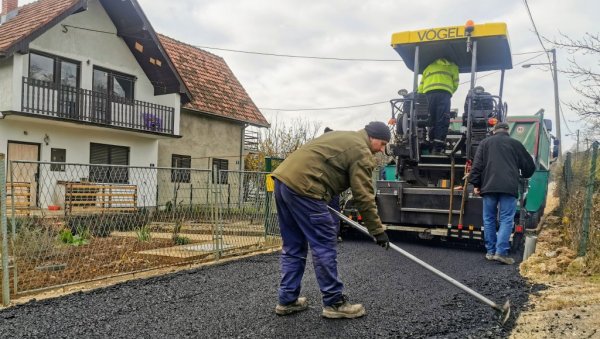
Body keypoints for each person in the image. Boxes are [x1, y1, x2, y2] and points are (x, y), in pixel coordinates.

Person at [272, 121, 391, 319]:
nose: (382, 149)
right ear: (372, 137)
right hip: (306, 188)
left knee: (293, 245)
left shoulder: (342, 137)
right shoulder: (361, 151)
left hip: (283, 182)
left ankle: (287, 300)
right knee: (324, 243)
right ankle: (334, 302)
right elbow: (364, 196)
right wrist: (377, 231)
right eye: (382, 143)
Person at [469, 122, 536, 265]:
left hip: (488, 186)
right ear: (507, 131)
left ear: (494, 131)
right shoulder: (515, 144)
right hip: (508, 187)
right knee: (506, 219)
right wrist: (524, 174)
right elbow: (529, 165)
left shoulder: (485, 143)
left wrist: (476, 184)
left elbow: (477, 165)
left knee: (489, 219)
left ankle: (490, 252)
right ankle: (501, 253)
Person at [417, 58, 459, 154]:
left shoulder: (428, 67)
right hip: (444, 94)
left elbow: (421, 86)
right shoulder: (453, 66)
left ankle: (431, 144)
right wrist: (450, 91)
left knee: (430, 120)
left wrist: (420, 97)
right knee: (442, 120)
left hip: (428, 94)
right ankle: (438, 148)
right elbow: (455, 83)